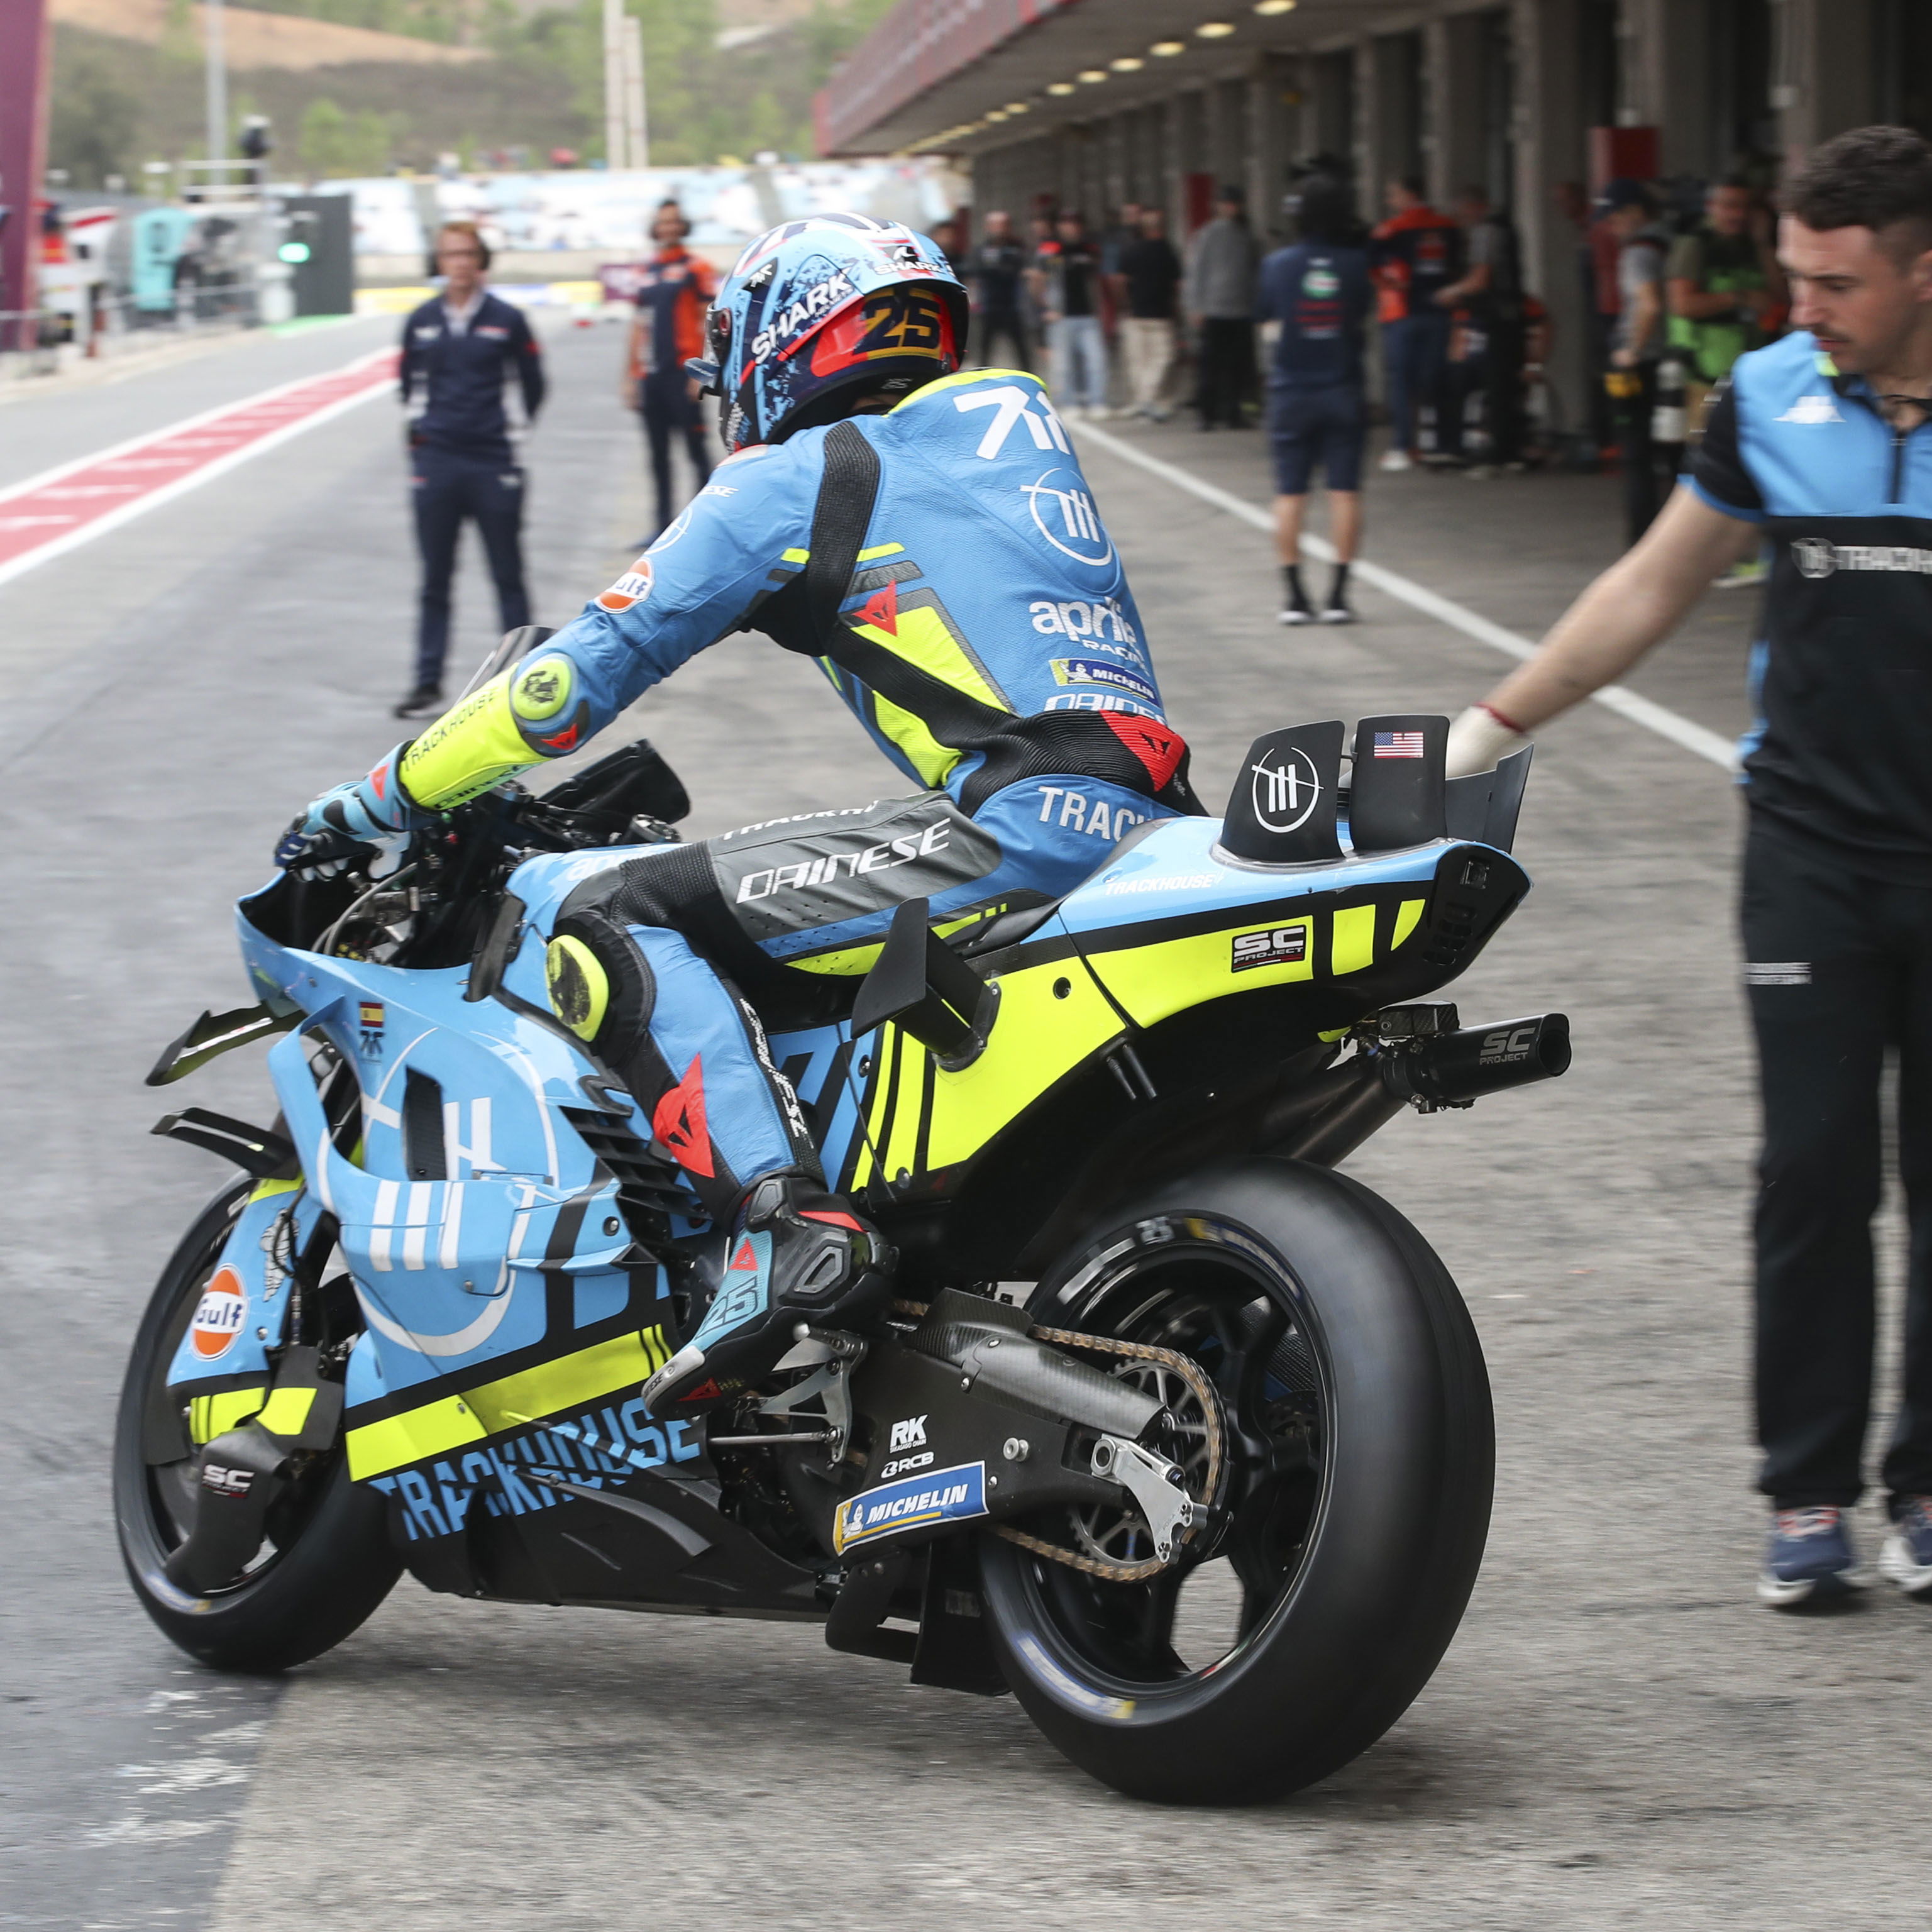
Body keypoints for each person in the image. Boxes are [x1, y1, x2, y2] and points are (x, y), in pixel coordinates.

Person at [273, 213, 1200, 1416]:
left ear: (790, 332)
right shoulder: (1008, 438)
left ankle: (782, 1231)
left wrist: (379, 793)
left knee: (600, 910)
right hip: (1159, 821)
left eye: (736, 339)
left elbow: (563, 689)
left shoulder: (795, 478)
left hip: (1021, 826)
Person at [1441, 126, 1932, 1611]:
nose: (1805, 306)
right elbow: (1657, 579)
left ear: (1925, 270)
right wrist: (1491, 724)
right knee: (1813, 1168)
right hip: (1812, 853)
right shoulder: (1770, 396)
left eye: (1838, 282)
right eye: (1792, 275)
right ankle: (1806, 1493)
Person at [395, 221, 546, 720]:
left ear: (480, 260)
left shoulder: (507, 319)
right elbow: (408, 390)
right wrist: (421, 450)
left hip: (493, 461)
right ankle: (426, 682)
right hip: (437, 462)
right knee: (434, 579)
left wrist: (511, 442)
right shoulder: (419, 321)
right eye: (449, 254)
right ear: (438, 262)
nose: (458, 263)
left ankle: (521, 680)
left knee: (508, 574)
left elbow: (532, 386)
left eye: (466, 254)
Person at [1257, 175, 1372, 625]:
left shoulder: (1277, 264)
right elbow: (1361, 315)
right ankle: (1339, 595)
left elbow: (1266, 315)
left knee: (1290, 494)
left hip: (1291, 390)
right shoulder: (1355, 264)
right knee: (1344, 492)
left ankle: (1294, 597)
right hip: (1342, 386)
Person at [626, 202, 717, 547]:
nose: (668, 228)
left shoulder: (697, 268)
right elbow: (637, 327)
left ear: (683, 226)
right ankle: (661, 527)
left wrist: (704, 373)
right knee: (657, 455)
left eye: (674, 222)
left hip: (684, 374)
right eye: (662, 222)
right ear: (655, 227)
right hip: (652, 377)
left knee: (696, 451)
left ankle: (706, 527)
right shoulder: (645, 272)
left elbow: (710, 321)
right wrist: (630, 376)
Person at [1369, 176, 1464, 470]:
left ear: (1409, 195)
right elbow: (1460, 265)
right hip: (1440, 312)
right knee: (1435, 377)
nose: (1390, 202)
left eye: (1393, 195)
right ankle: (1442, 443)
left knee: (1401, 381)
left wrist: (1389, 283)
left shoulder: (1393, 228)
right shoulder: (1449, 227)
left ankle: (1403, 446)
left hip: (1403, 314)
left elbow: (1368, 262)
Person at [1598, 179, 1671, 546]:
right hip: (1675, 363)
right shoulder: (1672, 243)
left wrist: (1631, 353)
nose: (1611, 229)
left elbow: (1650, 303)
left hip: (1642, 365)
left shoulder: (1637, 254)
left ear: (1635, 214)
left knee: (1636, 454)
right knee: (1673, 455)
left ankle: (1641, 538)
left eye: (1614, 220)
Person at [1440, 185, 1526, 473]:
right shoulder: (1505, 228)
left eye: (1461, 213)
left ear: (1474, 206)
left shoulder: (1485, 232)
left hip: (1498, 318)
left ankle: (1498, 454)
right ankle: (1511, 451)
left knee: (1497, 385)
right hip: (1511, 316)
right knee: (1507, 385)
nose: (1460, 220)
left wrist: (1452, 292)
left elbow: (1481, 277)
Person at [1185, 185, 1259, 429]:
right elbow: (1197, 271)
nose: (1231, 208)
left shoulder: (1247, 235)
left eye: (1234, 204)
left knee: (1238, 366)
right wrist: (1196, 306)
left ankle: (1233, 413)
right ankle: (1206, 414)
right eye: (1226, 203)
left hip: (1241, 310)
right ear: (1217, 205)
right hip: (1214, 309)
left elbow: (1254, 271)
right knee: (1211, 366)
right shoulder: (1207, 234)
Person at [1034, 209, 1108, 417]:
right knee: (1063, 365)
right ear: (1059, 226)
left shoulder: (1090, 249)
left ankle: (1097, 402)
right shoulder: (1050, 249)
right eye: (1067, 223)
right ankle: (1068, 402)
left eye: (1076, 223)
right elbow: (1037, 279)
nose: (1072, 227)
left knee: (1096, 361)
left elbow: (1097, 280)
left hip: (1088, 316)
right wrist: (1046, 308)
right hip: (1061, 317)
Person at [1115, 204, 1183, 419]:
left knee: (1139, 361)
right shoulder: (1168, 250)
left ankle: (1143, 400)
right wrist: (1177, 308)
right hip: (1161, 314)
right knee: (1162, 358)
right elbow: (1178, 284)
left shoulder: (1131, 250)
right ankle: (1149, 399)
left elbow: (1119, 281)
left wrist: (1125, 304)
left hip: (1135, 314)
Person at [968, 208, 1031, 370]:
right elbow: (976, 272)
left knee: (1021, 349)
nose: (999, 229)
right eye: (994, 225)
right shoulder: (981, 249)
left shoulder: (1017, 247)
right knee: (984, 349)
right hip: (989, 306)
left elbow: (1016, 270)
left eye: (1002, 225)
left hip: (1012, 306)